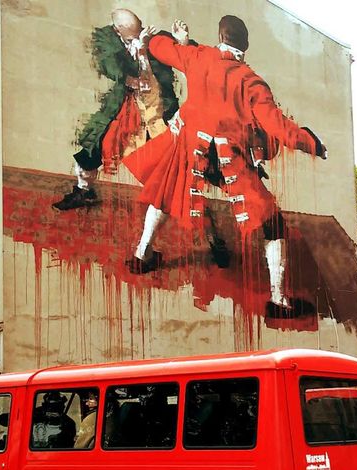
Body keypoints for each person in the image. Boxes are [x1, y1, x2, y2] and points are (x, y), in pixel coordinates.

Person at [122, 15, 327, 319]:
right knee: (272, 223)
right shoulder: (251, 81)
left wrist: (151, 39)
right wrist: (312, 143)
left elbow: (163, 49)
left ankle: (142, 255)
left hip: (192, 149)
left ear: (220, 37)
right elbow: (277, 126)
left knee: (165, 193)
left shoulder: (199, 56)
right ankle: (278, 300)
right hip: (228, 158)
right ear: (246, 45)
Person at [52, 9, 180, 211]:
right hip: (125, 109)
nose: (137, 38)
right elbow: (109, 66)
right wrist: (131, 80)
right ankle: (84, 191)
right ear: (117, 30)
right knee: (94, 148)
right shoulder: (106, 39)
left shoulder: (157, 38)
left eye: (139, 31)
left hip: (157, 110)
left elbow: (182, 53)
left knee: (170, 161)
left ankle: (183, 205)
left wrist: (181, 40)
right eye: (131, 37)